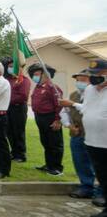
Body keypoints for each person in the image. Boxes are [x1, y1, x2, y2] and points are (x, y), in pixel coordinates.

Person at [61, 60, 107, 217]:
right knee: (102, 175)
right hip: (92, 140)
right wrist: (73, 106)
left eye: (98, 74)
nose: (94, 77)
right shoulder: (90, 90)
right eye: (92, 74)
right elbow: (85, 108)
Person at [29, 63, 64, 176]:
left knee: (55, 143)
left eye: (37, 74)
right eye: (33, 74)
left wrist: (57, 120)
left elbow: (59, 105)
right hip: (40, 118)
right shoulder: (38, 87)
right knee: (46, 142)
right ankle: (49, 165)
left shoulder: (52, 87)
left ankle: (57, 168)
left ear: (45, 74)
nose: (35, 76)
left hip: (51, 118)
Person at [1, 56, 32, 163]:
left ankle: (21, 154)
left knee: (18, 131)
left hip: (18, 108)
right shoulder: (7, 79)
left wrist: (6, 99)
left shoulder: (24, 80)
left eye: (12, 66)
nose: (11, 68)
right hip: (7, 108)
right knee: (9, 131)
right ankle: (14, 152)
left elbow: (23, 96)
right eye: (9, 66)